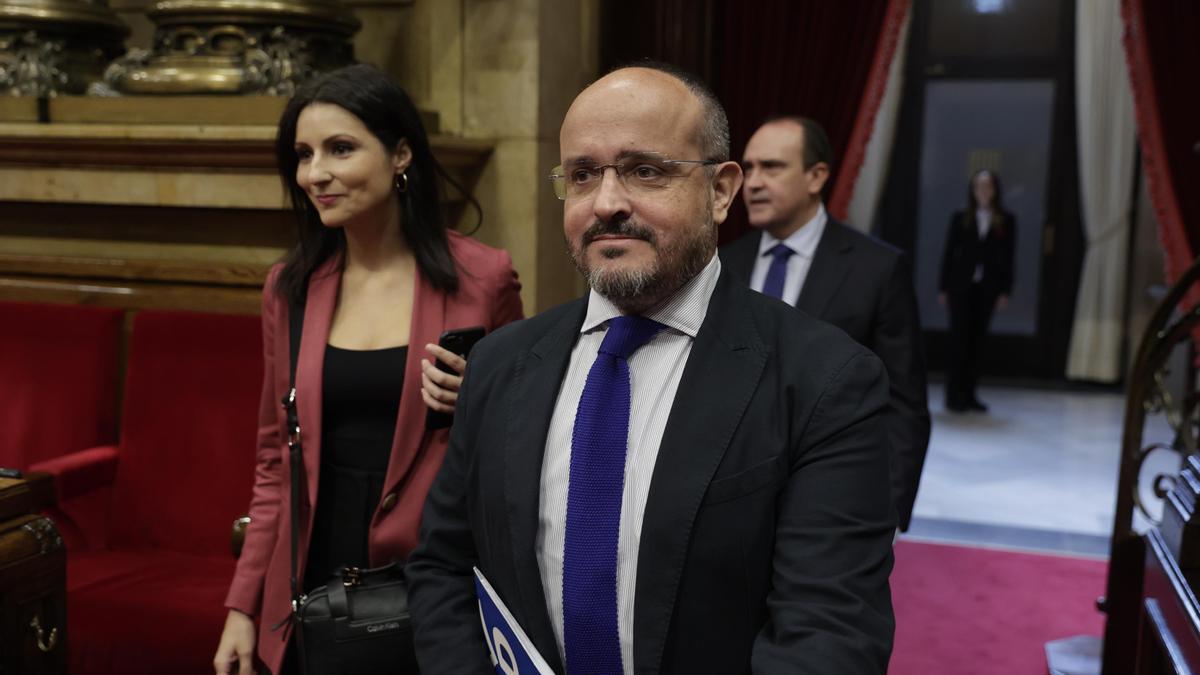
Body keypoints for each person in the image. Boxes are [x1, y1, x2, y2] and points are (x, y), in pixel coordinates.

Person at [407, 63, 895, 674]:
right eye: (583, 175)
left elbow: (829, 634)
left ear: (720, 191)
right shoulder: (500, 365)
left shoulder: (825, 381)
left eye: (645, 171)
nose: (607, 203)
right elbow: (445, 568)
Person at [212, 63, 524, 675]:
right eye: (303, 154)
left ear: (401, 152)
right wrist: (243, 606)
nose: (316, 173)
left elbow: (529, 438)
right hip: (314, 573)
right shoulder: (290, 287)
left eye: (341, 148)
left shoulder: (483, 278)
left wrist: (479, 397)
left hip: (431, 576)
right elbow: (276, 460)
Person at [720, 115, 930, 533]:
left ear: (816, 177)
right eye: (750, 168)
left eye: (773, 167)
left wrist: (887, 512)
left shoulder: (877, 268)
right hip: (733, 494)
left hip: (833, 492)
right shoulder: (722, 263)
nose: (754, 182)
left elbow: (904, 402)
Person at [937, 169, 1015, 413]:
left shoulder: (1005, 220)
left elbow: (1009, 257)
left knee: (977, 342)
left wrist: (1005, 290)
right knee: (958, 339)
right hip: (961, 286)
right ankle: (953, 395)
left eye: (988, 186)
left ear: (995, 190)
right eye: (979, 186)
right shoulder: (961, 217)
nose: (983, 191)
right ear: (973, 190)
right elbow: (949, 254)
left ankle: (970, 394)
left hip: (988, 287)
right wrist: (943, 287)